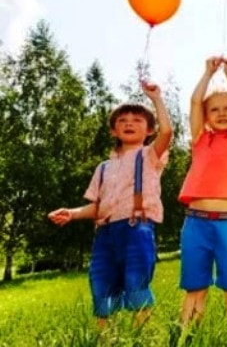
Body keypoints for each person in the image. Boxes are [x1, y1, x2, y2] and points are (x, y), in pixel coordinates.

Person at [48, 80, 172, 327]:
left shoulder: (149, 156)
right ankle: (106, 339)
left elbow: (167, 132)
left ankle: (140, 337)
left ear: (149, 130)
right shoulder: (103, 168)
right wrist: (72, 213)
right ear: (113, 131)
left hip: (136, 228)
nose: (129, 123)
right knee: (101, 283)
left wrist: (156, 98)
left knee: (136, 281)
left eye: (137, 120)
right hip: (104, 233)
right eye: (122, 120)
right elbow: (98, 206)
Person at [178, 57, 227, 343]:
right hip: (195, 223)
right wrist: (207, 73)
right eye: (215, 109)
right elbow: (195, 102)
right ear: (206, 116)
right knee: (195, 287)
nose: (222, 113)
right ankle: (186, 338)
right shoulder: (200, 139)